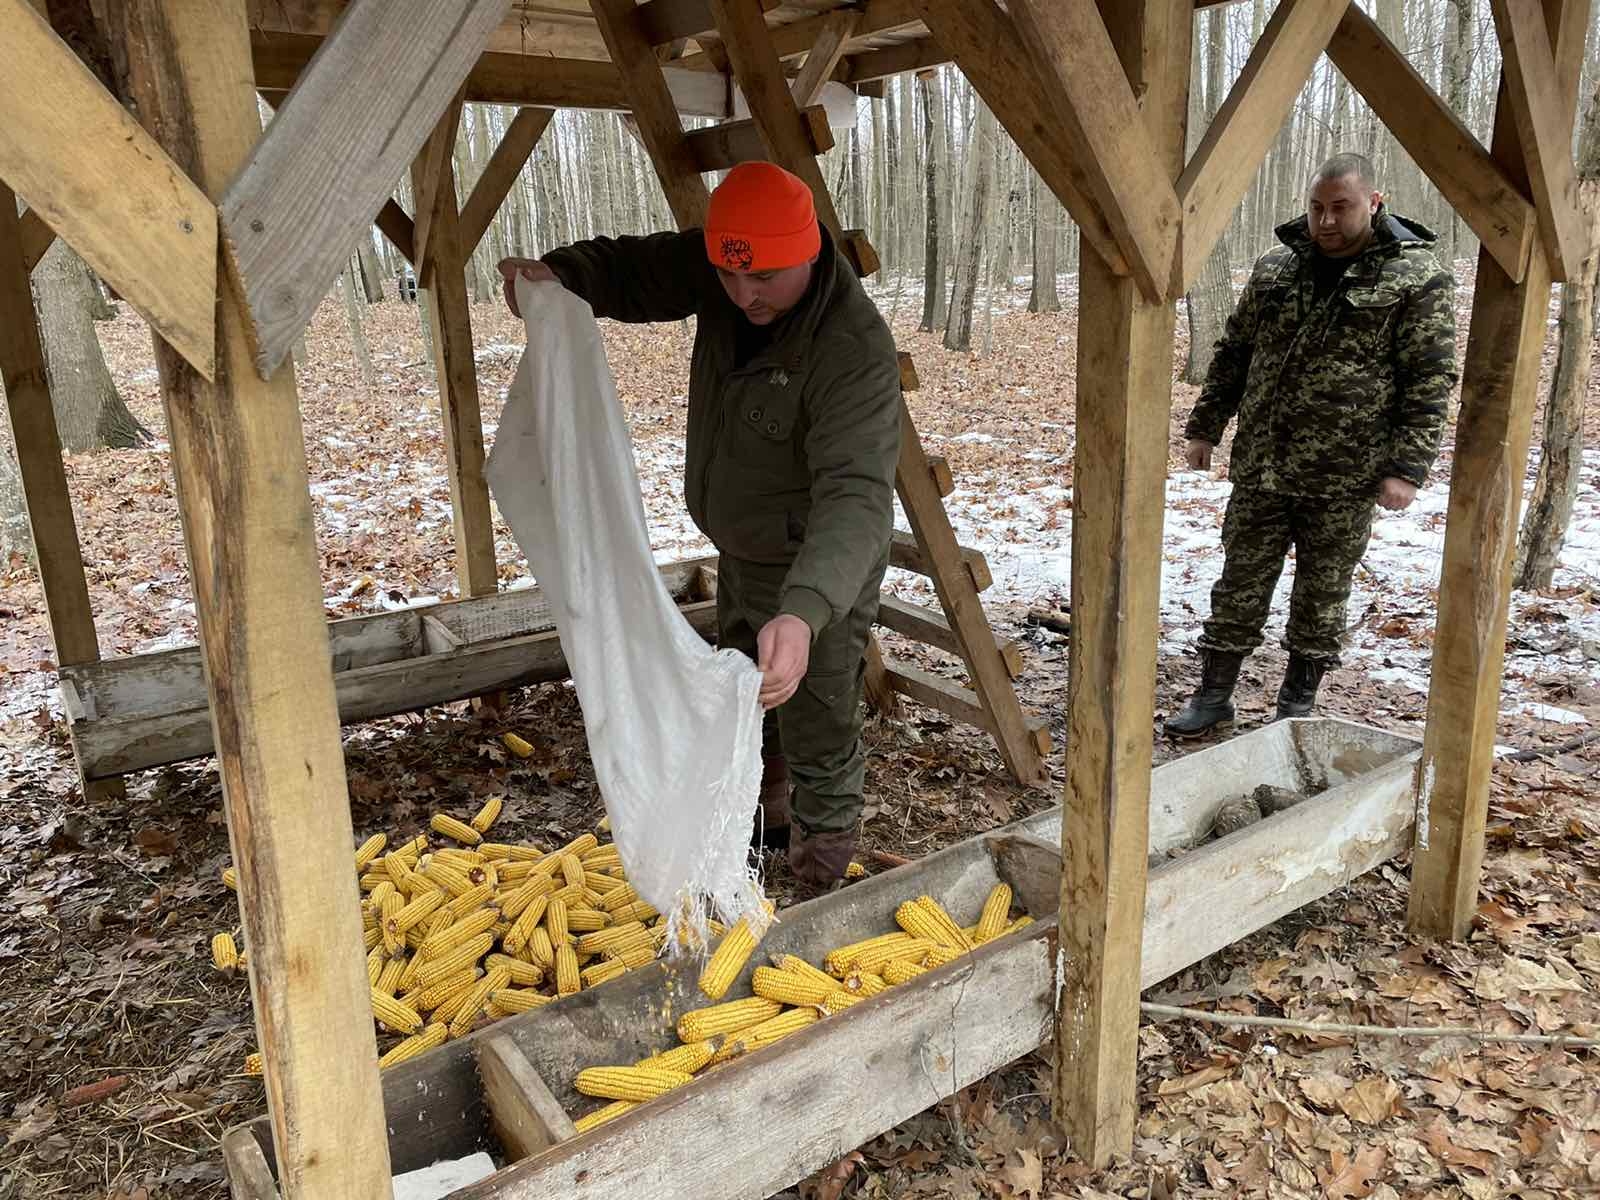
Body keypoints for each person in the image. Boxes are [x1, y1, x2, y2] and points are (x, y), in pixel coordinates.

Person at [497, 162, 901, 889]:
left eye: (766, 279)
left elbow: (858, 498)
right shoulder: (732, 267)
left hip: (817, 567)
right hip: (743, 552)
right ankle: (760, 824)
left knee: (817, 718)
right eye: (728, 276)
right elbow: (641, 270)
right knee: (744, 689)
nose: (744, 295)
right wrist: (560, 273)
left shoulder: (852, 350)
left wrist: (806, 615)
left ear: (807, 252)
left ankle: (820, 873)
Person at [1165, 153, 1458, 737]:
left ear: (1374, 202)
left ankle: (1297, 706)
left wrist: (1407, 467)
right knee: (1239, 582)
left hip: (1344, 475)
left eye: (1341, 207)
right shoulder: (1278, 268)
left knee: (1323, 595)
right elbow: (1235, 352)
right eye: (1318, 207)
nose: (1326, 221)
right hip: (1263, 466)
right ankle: (1215, 694)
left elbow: (1430, 377)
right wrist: (1206, 426)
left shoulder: (1416, 277)